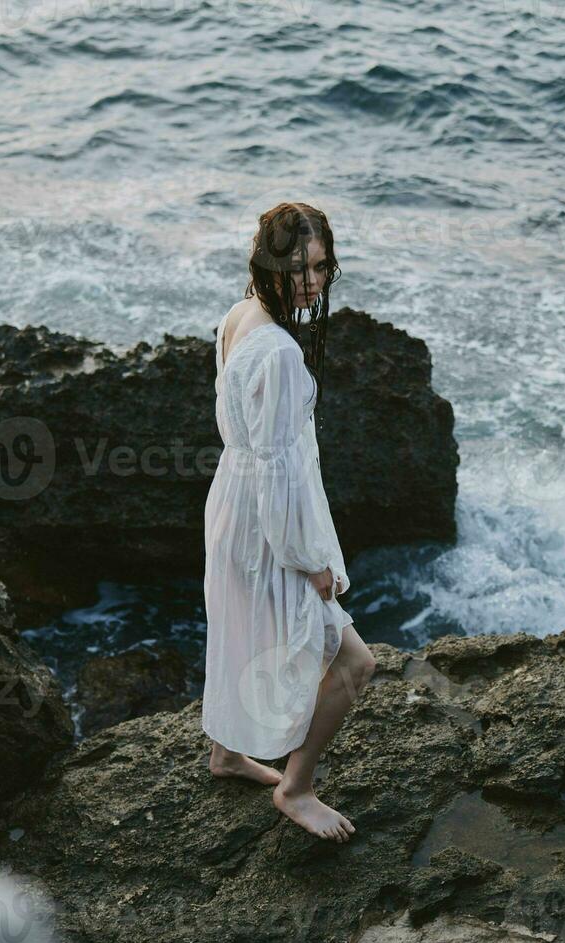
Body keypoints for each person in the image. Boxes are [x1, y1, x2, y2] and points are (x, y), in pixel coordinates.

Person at [200, 202, 377, 843]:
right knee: (354, 665)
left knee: (240, 630)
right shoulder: (276, 350)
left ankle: (224, 754)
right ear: (269, 262)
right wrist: (312, 561)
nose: (311, 283)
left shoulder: (238, 314)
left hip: (233, 507)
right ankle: (295, 789)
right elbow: (278, 475)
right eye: (299, 268)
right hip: (267, 527)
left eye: (322, 268)